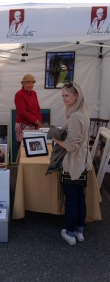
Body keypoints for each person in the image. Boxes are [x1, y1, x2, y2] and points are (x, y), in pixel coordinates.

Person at [52, 82, 92, 245]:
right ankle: (79, 232)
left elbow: (70, 145)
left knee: (72, 200)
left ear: (77, 96)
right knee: (79, 199)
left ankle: (70, 234)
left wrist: (55, 139)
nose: (64, 98)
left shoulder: (75, 116)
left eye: (67, 95)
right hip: (82, 162)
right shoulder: (83, 112)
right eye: (62, 95)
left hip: (74, 163)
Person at [14, 74, 42, 151]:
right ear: (23, 84)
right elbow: (22, 113)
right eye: (29, 83)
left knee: (33, 147)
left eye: (32, 83)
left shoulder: (34, 93)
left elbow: (38, 109)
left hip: (34, 124)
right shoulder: (19, 94)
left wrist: (39, 121)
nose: (31, 85)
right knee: (22, 147)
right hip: (23, 125)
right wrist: (36, 121)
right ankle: (20, 163)